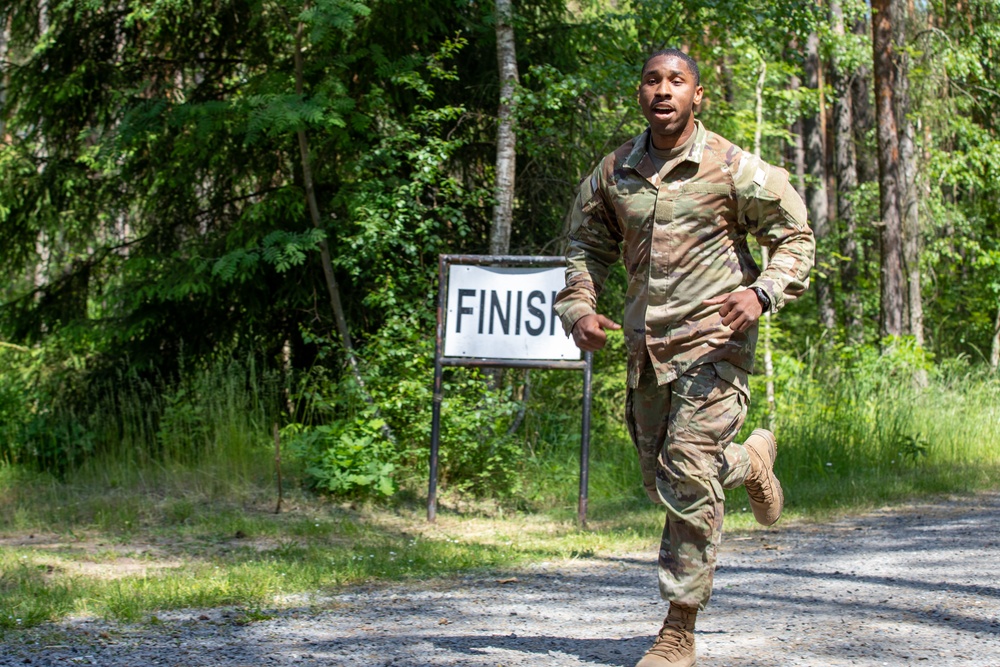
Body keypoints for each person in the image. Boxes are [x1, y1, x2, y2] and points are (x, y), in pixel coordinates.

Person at [554, 49, 815, 667]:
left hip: (714, 342)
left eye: (677, 81)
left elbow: (795, 238)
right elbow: (581, 247)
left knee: (687, 473)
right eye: (652, 80)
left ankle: (678, 630)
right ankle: (749, 463)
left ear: (698, 95)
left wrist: (762, 292)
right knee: (662, 481)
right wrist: (579, 310)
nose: (663, 91)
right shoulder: (615, 171)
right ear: (640, 93)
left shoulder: (731, 167)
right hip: (648, 347)